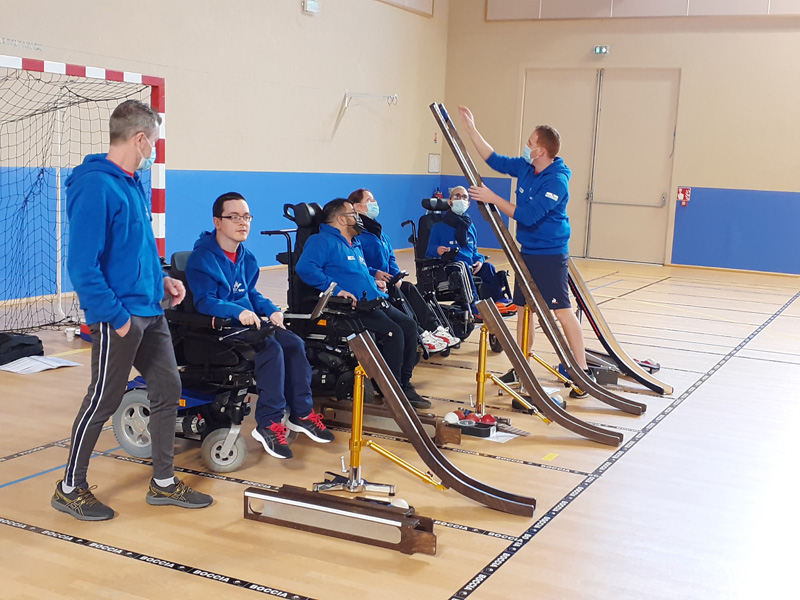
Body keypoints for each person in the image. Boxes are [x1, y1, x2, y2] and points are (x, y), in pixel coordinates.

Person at [53, 100, 213, 521]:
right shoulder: (95, 186)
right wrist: (116, 317)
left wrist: (161, 280)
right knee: (102, 401)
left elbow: (134, 250)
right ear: (140, 138)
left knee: (168, 390)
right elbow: (82, 266)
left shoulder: (130, 184)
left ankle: (162, 483)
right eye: (154, 142)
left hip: (151, 310)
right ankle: (70, 487)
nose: (154, 150)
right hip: (119, 317)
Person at [185, 192, 334, 460]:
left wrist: (270, 309)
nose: (243, 223)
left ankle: (301, 413)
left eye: (246, 217)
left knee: (294, 343)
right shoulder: (202, 258)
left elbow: (252, 294)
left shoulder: (247, 257)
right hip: (219, 328)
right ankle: (269, 423)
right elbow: (205, 301)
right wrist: (238, 311)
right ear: (218, 222)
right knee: (271, 349)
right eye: (234, 217)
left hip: (249, 323)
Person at [457, 106, 594, 398]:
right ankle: (522, 366)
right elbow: (493, 159)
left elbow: (529, 216)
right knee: (523, 311)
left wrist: (493, 199)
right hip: (527, 252)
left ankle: (581, 372)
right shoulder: (526, 168)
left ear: (542, 150)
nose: (526, 146)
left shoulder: (556, 180)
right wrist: (471, 129)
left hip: (550, 254)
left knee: (563, 312)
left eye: (530, 143)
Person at [296, 198, 430, 408]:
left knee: (410, 326)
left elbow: (355, 271)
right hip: (351, 307)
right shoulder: (322, 241)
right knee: (393, 333)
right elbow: (306, 268)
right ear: (341, 219)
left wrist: (374, 279)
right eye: (353, 214)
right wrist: (336, 290)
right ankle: (392, 389)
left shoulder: (353, 243)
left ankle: (403, 382)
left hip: (374, 300)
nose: (359, 219)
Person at [348, 188, 459, 351]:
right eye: (369, 200)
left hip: (388, 280)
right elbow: (359, 264)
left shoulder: (381, 234)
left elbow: (391, 259)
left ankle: (435, 328)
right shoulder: (357, 235)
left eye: (374, 199)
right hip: (373, 282)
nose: (374, 203)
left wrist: (396, 276)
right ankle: (420, 333)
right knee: (400, 292)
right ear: (357, 207)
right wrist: (375, 273)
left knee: (407, 286)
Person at [425, 186, 516, 318]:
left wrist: (479, 260)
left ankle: (499, 300)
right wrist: (437, 249)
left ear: (468, 203)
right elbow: (429, 251)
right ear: (450, 201)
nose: (460, 199)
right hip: (450, 266)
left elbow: (473, 251)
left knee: (488, 267)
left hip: (469, 265)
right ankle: (473, 303)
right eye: (457, 196)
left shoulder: (470, 226)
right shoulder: (438, 227)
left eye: (464, 197)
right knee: (462, 266)